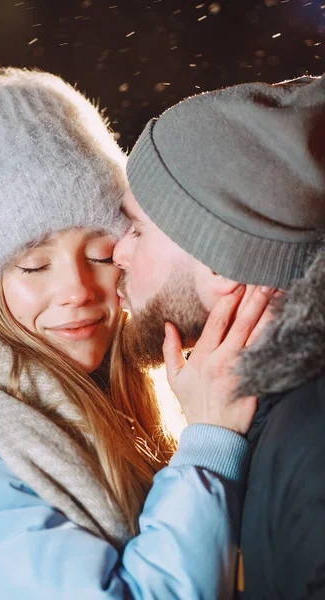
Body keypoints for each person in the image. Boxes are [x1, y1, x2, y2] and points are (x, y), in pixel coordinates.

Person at [0, 67, 269, 599]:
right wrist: (209, 450)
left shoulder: (155, 386)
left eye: (100, 253)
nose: (78, 290)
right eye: (35, 265)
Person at [113, 74, 325, 599]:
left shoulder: (311, 455)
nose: (118, 252)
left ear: (219, 262)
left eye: (137, 229)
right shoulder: (280, 419)